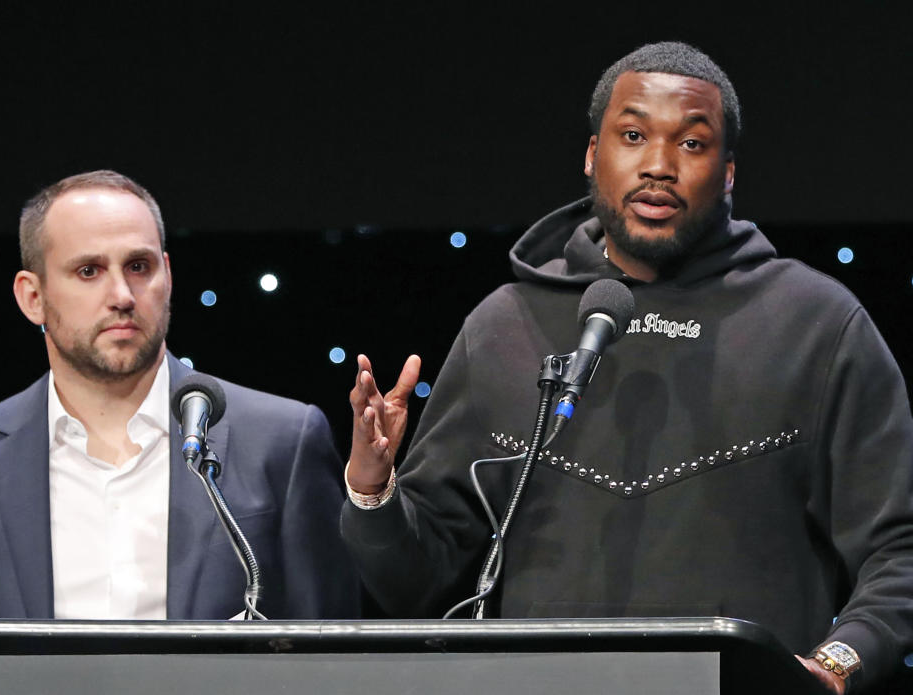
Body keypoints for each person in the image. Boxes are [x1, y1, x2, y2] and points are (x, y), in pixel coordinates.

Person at [340, 42, 913, 694]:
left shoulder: (818, 324)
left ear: (728, 173)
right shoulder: (504, 326)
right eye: (634, 135)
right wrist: (372, 488)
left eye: (692, 145)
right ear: (593, 154)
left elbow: (901, 548)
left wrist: (837, 663)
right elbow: (413, 581)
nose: (660, 166)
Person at [0, 170, 359, 693]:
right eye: (88, 271)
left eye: (139, 266)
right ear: (32, 296)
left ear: (167, 275)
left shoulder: (282, 441)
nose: (122, 294)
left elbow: (331, 664)